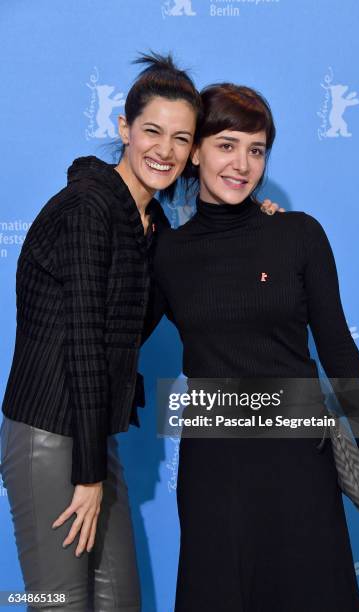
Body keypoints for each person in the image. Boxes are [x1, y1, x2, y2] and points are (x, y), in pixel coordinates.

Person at [0, 53, 281, 611]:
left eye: (181, 138)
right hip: (49, 436)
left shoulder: (145, 224)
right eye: (152, 131)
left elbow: (150, 315)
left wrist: (252, 227)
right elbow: (83, 342)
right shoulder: (89, 207)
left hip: (89, 436)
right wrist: (87, 476)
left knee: (118, 603)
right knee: (60, 605)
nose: (165, 150)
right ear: (124, 129)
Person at [150, 83, 359, 611]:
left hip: (299, 457)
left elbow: (338, 350)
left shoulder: (299, 235)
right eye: (227, 145)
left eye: (256, 150)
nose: (242, 163)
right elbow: (118, 335)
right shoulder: (165, 252)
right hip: (216, 464)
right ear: (194, 153)